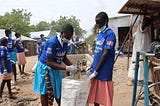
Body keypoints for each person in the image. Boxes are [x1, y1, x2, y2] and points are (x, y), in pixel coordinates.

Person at [33, 24, 77, 106]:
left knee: (58, 90)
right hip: (45, 68)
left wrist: (73, 66)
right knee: (45, 92)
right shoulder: (52, 42)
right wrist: (67, 68)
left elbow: (64, 57)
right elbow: (49, 62)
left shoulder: (65, 43)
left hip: (55, 68)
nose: (68, 39)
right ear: (62, 33)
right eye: (67, 36)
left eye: (70, 37)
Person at [87, 12, 116, 106]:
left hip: (104, 71)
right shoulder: (100, 34)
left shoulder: (110, 34)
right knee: (96, 97)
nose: (98, 25)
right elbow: (97, 52)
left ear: (106, 21)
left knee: (105, 98)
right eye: (97, 23)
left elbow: (105, 54)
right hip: (96, 69)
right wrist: (92, 67)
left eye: (100, 23)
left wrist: (96, 71)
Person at [127, 15, 152, 86]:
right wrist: (144, 24)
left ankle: (143, 78)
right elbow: (142, 28)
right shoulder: (141, 26)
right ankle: (138, 79)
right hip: (140, 46)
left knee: (144, 61)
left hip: (145, 45)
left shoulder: (147, 28)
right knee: (139, 61)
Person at [0, 37, 17, 102]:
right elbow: (2, 59)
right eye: (7, 42)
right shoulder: (2, 49)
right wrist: (4, 69)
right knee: (4, 82)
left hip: (8, 67)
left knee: (9, 81)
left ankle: (10, 94)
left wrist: (10, 61)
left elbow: (6, 58)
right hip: (5, 68)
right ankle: (0, 95)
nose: (7, 43)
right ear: (4, 42)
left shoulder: (5, 48)